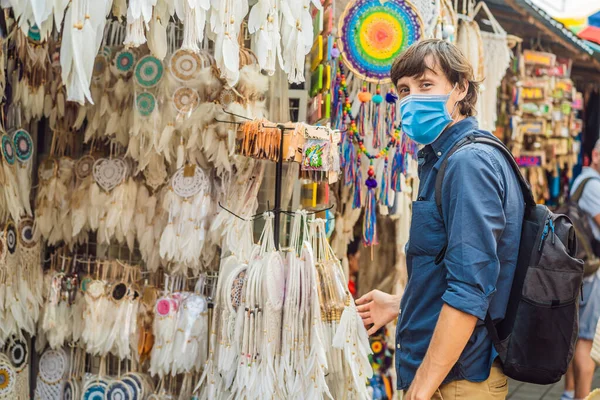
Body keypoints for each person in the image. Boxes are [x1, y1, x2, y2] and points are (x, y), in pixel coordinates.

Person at [356, 39, 525, 400]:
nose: (412, 98)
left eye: (426, 85)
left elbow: (471, 289)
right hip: (448, 377)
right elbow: (460, 268)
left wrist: (420, 390)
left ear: (460, 88)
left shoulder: (469, 163)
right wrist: (403, 303)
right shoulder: (444, 158)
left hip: (457, 381)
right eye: (404, 90)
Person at [563, 139, 600, 400]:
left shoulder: (581, 181)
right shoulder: (593, 186)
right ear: (595, 155)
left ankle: (568, 393)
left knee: (573, 335)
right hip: (591, 270)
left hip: (579, 267)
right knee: (586, 341)